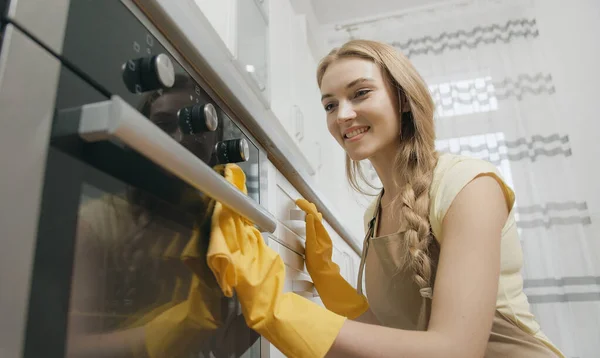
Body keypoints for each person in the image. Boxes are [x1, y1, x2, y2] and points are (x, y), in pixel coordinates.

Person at [206, 39, 566, 358]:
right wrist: (329, 281)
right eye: (330, 105)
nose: (343, 115)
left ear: (403, 99)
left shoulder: (469, 185)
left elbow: (455, 350)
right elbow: (395, 337)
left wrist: (278, 310)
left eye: (360, 93)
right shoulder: (374, 215)